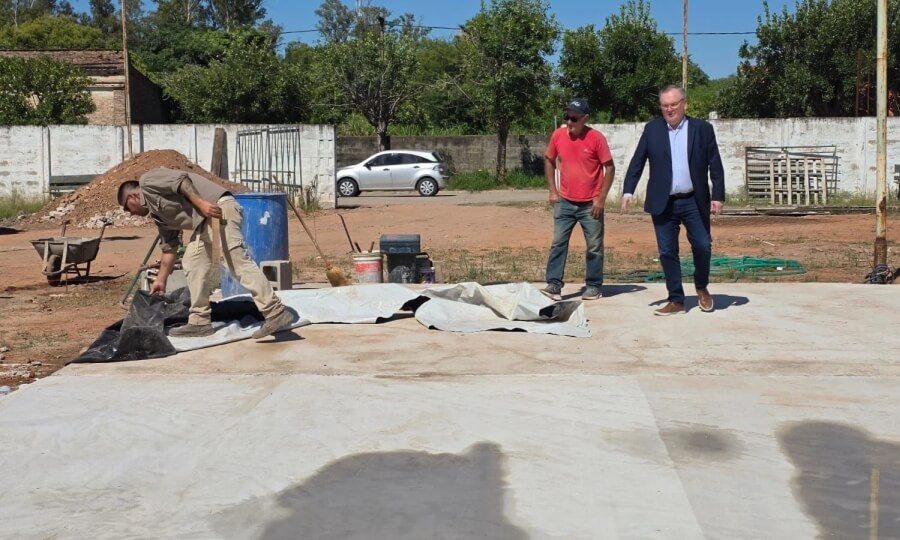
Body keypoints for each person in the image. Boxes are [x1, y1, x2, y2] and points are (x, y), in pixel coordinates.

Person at [117, 168, 295, 338]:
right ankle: (199, 322)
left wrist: (201, 203)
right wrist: (161, 280)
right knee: (192, 261)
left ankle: (275, 312)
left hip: (219, 208)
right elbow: (169, 248)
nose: (130, 213)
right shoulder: (159, 216)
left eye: (127, 207)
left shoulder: (147, 181)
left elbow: (181, 180)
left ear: (133, 197)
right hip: (203, 223)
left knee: (235, 260)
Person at [622, 84, 725, 315]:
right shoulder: (652, 130)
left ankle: (701, 287)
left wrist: (718, 195)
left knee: (702, 244)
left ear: (684, 104)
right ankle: (676, 299)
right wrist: (628, 190)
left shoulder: (702, 129)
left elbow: (715, 164)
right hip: (663, 202)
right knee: (667, 251)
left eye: (674, 104)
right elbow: (637, 161)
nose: (669, 109)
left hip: (693, 201)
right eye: (665, 105)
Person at [541, 98, 616, 301]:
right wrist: (552, 190)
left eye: (574, 118)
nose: (569, 122)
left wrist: (601, 199)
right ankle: (554, 285)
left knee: (594, 246)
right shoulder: (558, 136)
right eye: (567, 117)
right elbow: (548, 160)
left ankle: (593, 286)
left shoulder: (596, 138)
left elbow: (609, 167)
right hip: (564, 201)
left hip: (590, 204)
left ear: (585, 119)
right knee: (558, 243)